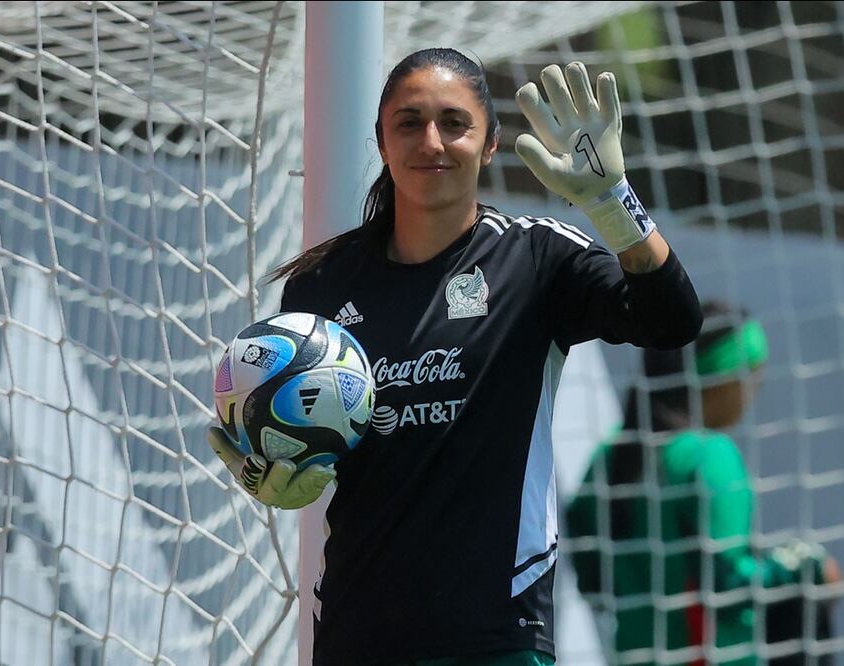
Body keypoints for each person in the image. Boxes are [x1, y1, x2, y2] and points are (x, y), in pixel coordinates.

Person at [209, 48, 703, 665]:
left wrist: (613, 202)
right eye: (409, 123)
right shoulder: (322, 286)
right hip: (357, 632)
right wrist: (282, 470)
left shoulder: (535, 261)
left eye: (455, 122)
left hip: (496, 636)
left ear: (491, 142)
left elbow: (673, 322)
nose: (432, 141)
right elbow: (323, 445)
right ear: (383, 142)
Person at [565, 301, 844, 666]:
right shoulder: (709, 455)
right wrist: (805, 563)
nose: (754, 392)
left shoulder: (610, 454)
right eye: (753, 376)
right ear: (724, 377)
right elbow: (728, 586)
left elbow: (590, 572)